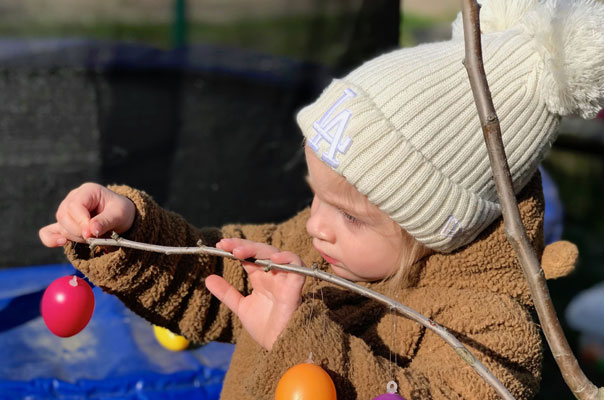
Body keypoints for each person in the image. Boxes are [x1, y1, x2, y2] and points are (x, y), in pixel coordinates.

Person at [39, 0, 603, 398]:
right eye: (318, 198)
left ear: (437, 226)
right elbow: (208, 277)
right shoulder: (315, 250)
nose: (316, 227)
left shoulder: (493, 335)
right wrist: (128, 230)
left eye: (350, 215)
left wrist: (301, 338)